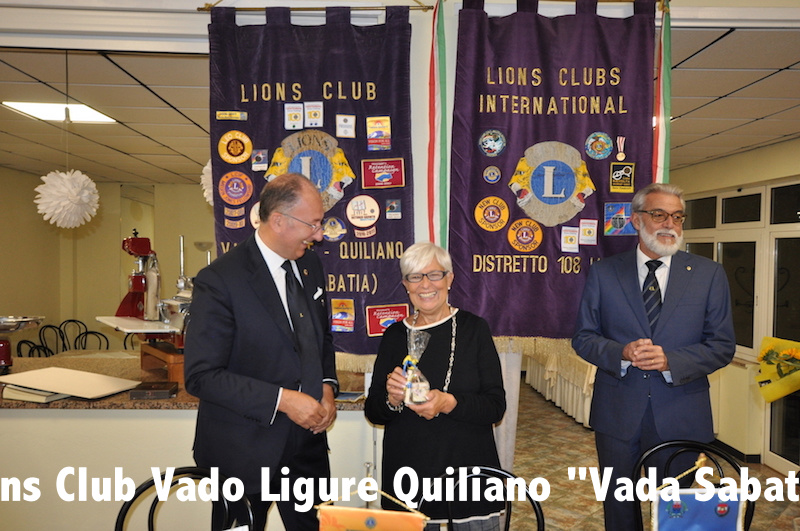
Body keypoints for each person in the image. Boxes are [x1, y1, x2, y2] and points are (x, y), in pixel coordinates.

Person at [572, 182, 735, 530]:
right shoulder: (604, 272)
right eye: (659, 215)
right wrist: (621, 352)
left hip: (681, 415)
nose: (670, 224)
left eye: (677, 217)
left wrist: (671, 361)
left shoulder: (708, 274)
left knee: (676, 513)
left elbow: (722, 346)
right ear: (636, 220)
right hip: (617, 416)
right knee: (618, 508)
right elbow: (584, 338)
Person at [184, 173, 339, 531]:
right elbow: (202, 376)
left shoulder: (310, 265)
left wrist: (327, 387)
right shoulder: (219, 280)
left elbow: (320, 340)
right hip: (242, 449)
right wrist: (284, 400)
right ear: (279, 221)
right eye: (313, 224)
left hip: (307, 448)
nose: (319, 235)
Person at [365, 242, 506, 530]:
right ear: (405, 284)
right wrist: (392, 400)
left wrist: (449, 403)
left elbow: (495, 406)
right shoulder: (394, 335)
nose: (425, 285)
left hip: (468, 474)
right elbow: (373, 411)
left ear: (449, 278)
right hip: (408, 477)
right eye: (415, 277)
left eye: (434, 275)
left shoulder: (474, 329)